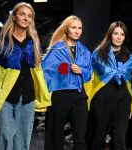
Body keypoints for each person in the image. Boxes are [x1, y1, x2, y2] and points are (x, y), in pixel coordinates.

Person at [0, 2, 51, 150]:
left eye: (30, 16)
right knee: (6, 136)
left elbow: (38, 70)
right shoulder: (2, 40)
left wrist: (43, 92)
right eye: (22, 14)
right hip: (5, 96)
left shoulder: (34, 42)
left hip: (28, 97)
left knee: (22, 140)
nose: (26, 18)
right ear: (14, 17)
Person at [42, 15, 92, 150]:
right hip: (60, 96)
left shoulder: (85, 52)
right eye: (73, 27)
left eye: (79, 28)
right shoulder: (57, 50)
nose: (77, 31)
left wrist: (81, 71)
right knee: (54, 136)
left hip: (79, 96)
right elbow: (45, 72)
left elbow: (89, 74)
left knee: (80, 137)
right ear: (67, 29)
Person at [85, 21, 132, 150]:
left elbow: (127, 81)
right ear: (110, 35)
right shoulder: (99, 53)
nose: (119, 37)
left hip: (122, 99)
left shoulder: (130, 57)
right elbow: (93, 77)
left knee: (119, 139)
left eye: (122, 34)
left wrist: (130, 105)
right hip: (103, 98)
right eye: (116, 33)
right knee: (97, 137)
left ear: (125, 37)